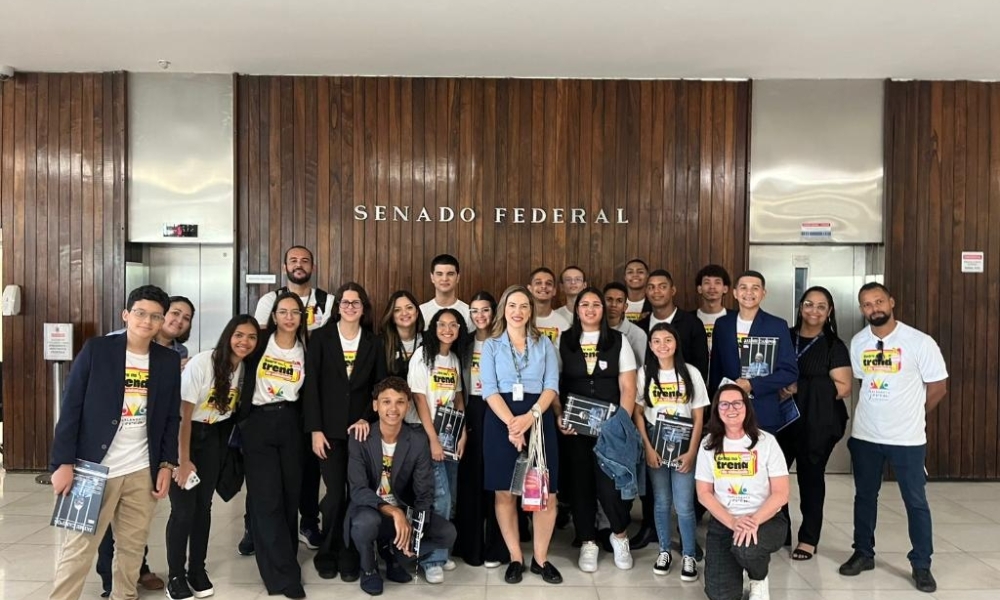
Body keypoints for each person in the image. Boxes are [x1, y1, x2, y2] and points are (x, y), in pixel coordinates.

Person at [48, 285, 181, 600]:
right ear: (126, 314)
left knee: (133, 549)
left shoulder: (167, 360)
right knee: (78, 547)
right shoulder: (98, 350)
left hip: (141, 470)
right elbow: (71, 408)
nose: (146, 321)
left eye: (155, 316)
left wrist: (166, 464)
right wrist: (62, 463)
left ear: (162, 321)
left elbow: (170, 418)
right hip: (90, 470)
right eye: (140, 313)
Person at [838, 283, 948, 594]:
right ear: (862, 310)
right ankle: (863, 552)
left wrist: (914, 413)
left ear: (891, 302)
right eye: (867, 304)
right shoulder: (859, 342)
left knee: (915, 501)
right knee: (864, 497)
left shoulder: (919, 342)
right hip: (865, 436)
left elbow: (938, 387)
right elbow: (863, 382)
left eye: (878, 301)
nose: (874, 308)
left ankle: (922, 563)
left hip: (908, 439)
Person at [98, 294, 194, 596]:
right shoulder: (111, 345)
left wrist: (169, 461)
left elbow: (168, 409)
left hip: (145, 447)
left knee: (134, 525)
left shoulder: (178, 353)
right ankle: (108, 581)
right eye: (174, 314)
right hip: (105, 451)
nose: (177, 321)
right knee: (98, 528)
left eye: (185, 318)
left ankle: (134, 574)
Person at [165, 314, 259, 600]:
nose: (245, 342)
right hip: (187, 436)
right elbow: (183, 415)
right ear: (228, 335)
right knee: (182, 510)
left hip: (215, 439)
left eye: (252, 337)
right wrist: (182, 460)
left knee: (203, 507)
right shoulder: (203, 362)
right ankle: (175, 576)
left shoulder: (242, 369)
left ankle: (197, 569)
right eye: (239, 335)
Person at [250, 245, 333, 553]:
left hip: (307, 394)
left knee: (307, 469)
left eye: (305, 260)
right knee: (263, 476)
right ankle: (253, 526)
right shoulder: (269, 300)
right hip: (268, 401)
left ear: (313, 265)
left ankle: (308, 522)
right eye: (293, 260)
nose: (299, 265)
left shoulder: (328, 301)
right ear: (284, 265)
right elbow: (257, 341)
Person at [303, 282, 387, 582]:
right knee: (336, 494)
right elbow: (310, 387)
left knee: (359, 495)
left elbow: (379, 387)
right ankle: (328, 552)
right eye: (345, 302)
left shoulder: (374, 342)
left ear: (363, 308)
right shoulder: (321, 338)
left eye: (356, 302)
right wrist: (315, 429)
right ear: (337, 306)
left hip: (362, 433)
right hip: (329, 433)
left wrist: (367, 418)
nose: (350, 307)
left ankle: (351, 553)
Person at [480, 285, 563, 585]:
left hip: (537, 418)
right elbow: (488, 389)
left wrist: (529, 419)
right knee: (504, 492)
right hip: (501, 419)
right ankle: (515, 556)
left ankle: (540, 559)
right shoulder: (491, 345)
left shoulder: (545, 344)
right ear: (504, 309)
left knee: (545, 493)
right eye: (512, 305)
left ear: (531, 311)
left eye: (524, 306)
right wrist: (513, 425)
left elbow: (551, 386)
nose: (518, 311)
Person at [346, 377, 458, 596]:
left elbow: (424, 493)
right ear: (376, 405)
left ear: (408, 406)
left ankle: (395, 554)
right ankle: (368, 568)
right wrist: (394, 512)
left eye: (400, 402)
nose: (393, 408)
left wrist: (415, 532)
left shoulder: (416, 440)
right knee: (365, 523)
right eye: (386, 402)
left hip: (404, 511)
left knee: (447, 533)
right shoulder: (360, 436)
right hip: (371, 509)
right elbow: (358, 490)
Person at [557, 288, 637, 573]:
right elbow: (554, 384)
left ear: (603, 310)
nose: (590, 309)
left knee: (610, 487)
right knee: (580, 485)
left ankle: (619, 536)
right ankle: (588, 541)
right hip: (575, 430)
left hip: (610, 430)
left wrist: (619, 424)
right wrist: (559, 416)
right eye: (584, 304)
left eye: (596, 305)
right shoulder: (564, 340)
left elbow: (628, 388)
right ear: (576, 310)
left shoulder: (618, 340)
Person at [236, 291, 308, 599]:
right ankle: (282, 576)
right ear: (274, 315)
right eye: (283, 312)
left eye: (295, 312)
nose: (289, 317)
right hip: (259, 423)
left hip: (292, 424)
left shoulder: (307, 348)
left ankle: (285, 556)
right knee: (267, 499)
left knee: (290, 497)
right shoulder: (260, 343)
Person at [773, 287, 852, 562]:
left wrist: (800, 387)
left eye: (821, 306)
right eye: (809, 304)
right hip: (782, 420)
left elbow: (843, 388)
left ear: (829, 311)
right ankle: (779, 531)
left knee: (811, 479)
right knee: (774, 478)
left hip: (817, 422)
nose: (814, 311)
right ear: (800, 307)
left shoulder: (833, 346)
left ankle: (808, 539)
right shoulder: (785, 337)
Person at [633, 270, 708, 549]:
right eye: (656, 342)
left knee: (684, 503)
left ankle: (689, 550)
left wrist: (692, 449)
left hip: (685, 438)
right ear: (650, 346)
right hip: (654, 437)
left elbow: (699, 413)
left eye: (668, 341)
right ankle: (664, 549)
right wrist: (647, 447)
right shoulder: (644, 372)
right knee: (661, 500)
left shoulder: (691, 372)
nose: (662, 346)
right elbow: (638, 412)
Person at [696, 384, 790, 600]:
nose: (731, 409)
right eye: (724, 404)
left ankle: (759, 578)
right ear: (717, 410)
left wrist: (753, 521)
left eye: (737, 403)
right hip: (724, 523)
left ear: (747, 407)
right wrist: (732, 522)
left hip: (766, 520)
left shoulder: (767, 442)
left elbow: (781, 493)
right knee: (719, 595)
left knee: (747, 547)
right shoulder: (708, 445)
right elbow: (704, 493)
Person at [405, 307, 468, 580]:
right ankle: (432, 559)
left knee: (450, 496)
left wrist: (462, 433)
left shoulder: (453, 358)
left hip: (449, 434)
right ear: (433, 327)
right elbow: (419, 400)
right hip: (425, 432)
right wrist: (432, 440)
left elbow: (457, 398)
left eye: (453, 325)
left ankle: (442, 549)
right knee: (439, 497)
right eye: (442, 324)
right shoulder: (423, 355)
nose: (447, 329)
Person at [453, 291, 511, 568]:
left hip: (499, 408)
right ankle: (470, 546)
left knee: (497, 478)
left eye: (485, 310)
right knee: (471, 479)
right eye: (474, 311)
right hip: (473, 410)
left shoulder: (504, 341)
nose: (480, 316)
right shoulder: (463, 344)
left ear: (494, 312)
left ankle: (497, 547)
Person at [709, 271, 798, 433]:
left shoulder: (777, 326)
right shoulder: (723, 325)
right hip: (728, 413)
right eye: (743, 287)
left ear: (763, 293)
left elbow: (789, 371)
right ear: (735, 293)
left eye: (755, 288)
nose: (749, 292)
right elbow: (716, 371)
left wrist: (752, 384)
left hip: (763, 412)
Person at [379, 290, 425, 379]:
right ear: (392, 316)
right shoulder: (381, 343)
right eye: (397, 310)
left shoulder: (429, 341)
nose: (404, 313)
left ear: (417, 312)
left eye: (409, 308)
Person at [420, 254, 471, 328]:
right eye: (439, 274)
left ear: (457, 278)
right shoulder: (421, 311)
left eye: (450, 274)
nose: (444, 279)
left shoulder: (468, 313)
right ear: (432, 277)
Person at [602, 282, 647, 366]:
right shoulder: (592, 329)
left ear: (625, 307)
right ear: (601, 303)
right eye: (609, 299)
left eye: (619, 301)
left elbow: (641, 368)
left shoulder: (637, 334)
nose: (613, 305)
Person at [694, 264, 731, 357]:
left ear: (725, 289)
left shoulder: (734, 318)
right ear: (699, 289)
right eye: (707, 282)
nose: (712, 287)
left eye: (717, 282)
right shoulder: (688, 319)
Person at [528, 267, 571, 347]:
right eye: (538, 283)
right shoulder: (521, 319)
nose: (543, 286)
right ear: (530, 289)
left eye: (548, 283)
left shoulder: (563, 324)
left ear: (554, 291)